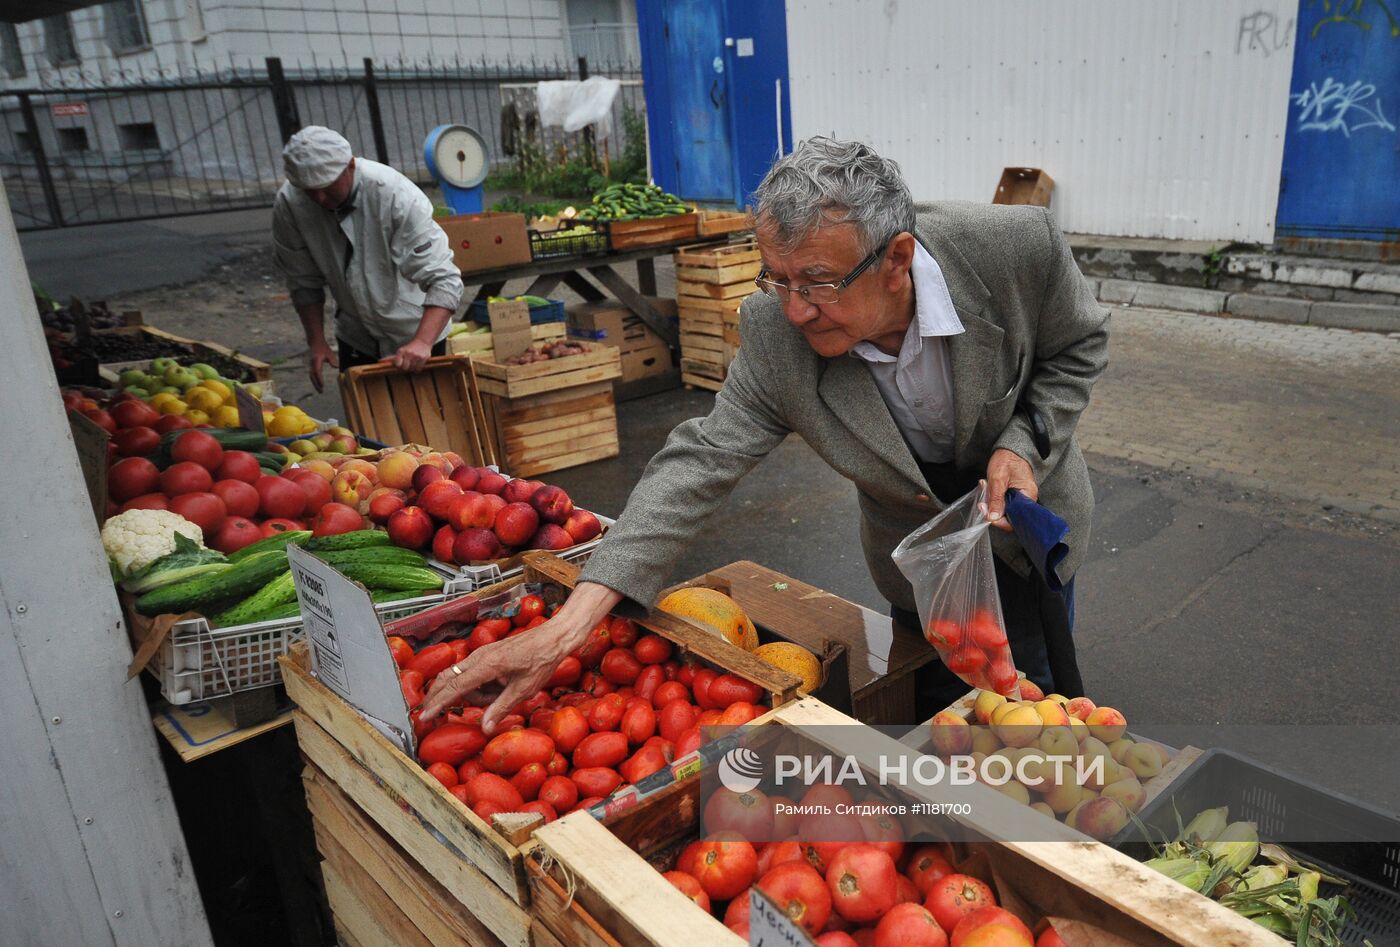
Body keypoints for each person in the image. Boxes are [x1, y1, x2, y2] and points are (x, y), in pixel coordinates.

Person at [423, 137, 1109, 732]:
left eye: (817, 281)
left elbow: (1077, 346)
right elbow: (698, 460)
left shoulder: (1016, 252)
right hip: (918, 563)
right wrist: (568, 625)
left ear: (897, 258)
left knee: (1039, 711)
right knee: (934, 709)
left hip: (1021, 526)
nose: (796, 309)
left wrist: (1021, 441)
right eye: (775, 278)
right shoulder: (778, 333)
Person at [272, 125, 464, 392]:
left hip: (414, 328)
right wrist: (316, 342)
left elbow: (445, 279)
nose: (319, 198)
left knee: (429, 422)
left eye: (326, 186)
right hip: (355, 333)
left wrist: (422, 342)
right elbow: (303, 281)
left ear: (349, 166)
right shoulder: (290, 204)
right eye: (308, 190)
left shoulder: (394, 195)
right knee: (364, 428)